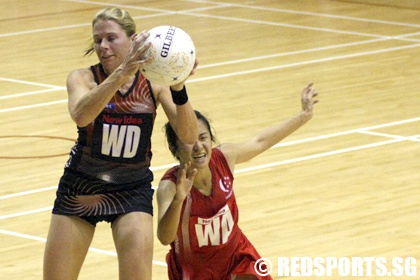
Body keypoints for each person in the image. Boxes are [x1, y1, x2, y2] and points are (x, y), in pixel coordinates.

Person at [43, 7, 198, 280]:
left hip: (131, 189)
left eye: (111, 38)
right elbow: (81, 116)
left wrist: (178, 85)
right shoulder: (82, 78)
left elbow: (188, 136)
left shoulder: (154, 83)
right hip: (82, 186)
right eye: (97, 40)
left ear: (134, 39)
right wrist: (122, 73)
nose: (103, 46)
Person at [156, 83, 319, 280]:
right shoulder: (170, 185)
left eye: (203, 138)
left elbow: (260, 141)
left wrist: (304, 115)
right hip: (195, 270)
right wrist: (178, 200)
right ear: (175, 150)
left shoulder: (223, 157)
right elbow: (165, 238)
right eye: (189, 142)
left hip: (236, 257)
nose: (198, 147)